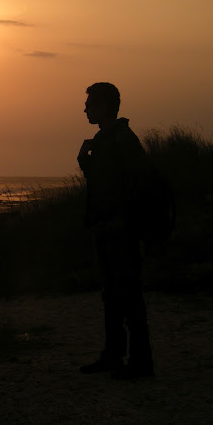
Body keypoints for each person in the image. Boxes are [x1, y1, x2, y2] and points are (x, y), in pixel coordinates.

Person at [77, 82, 154, 379]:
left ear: (104, 106)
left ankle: (140, 362)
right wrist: (85, 161)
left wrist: (125, 219)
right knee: (111, 295)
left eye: (90, 105)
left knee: (129, 295)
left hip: (121, 230)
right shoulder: (103, 138)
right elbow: (101, 184)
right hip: (104, 227)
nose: (85, 109)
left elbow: (140, 182)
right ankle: (113, 355)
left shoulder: (123, 138)